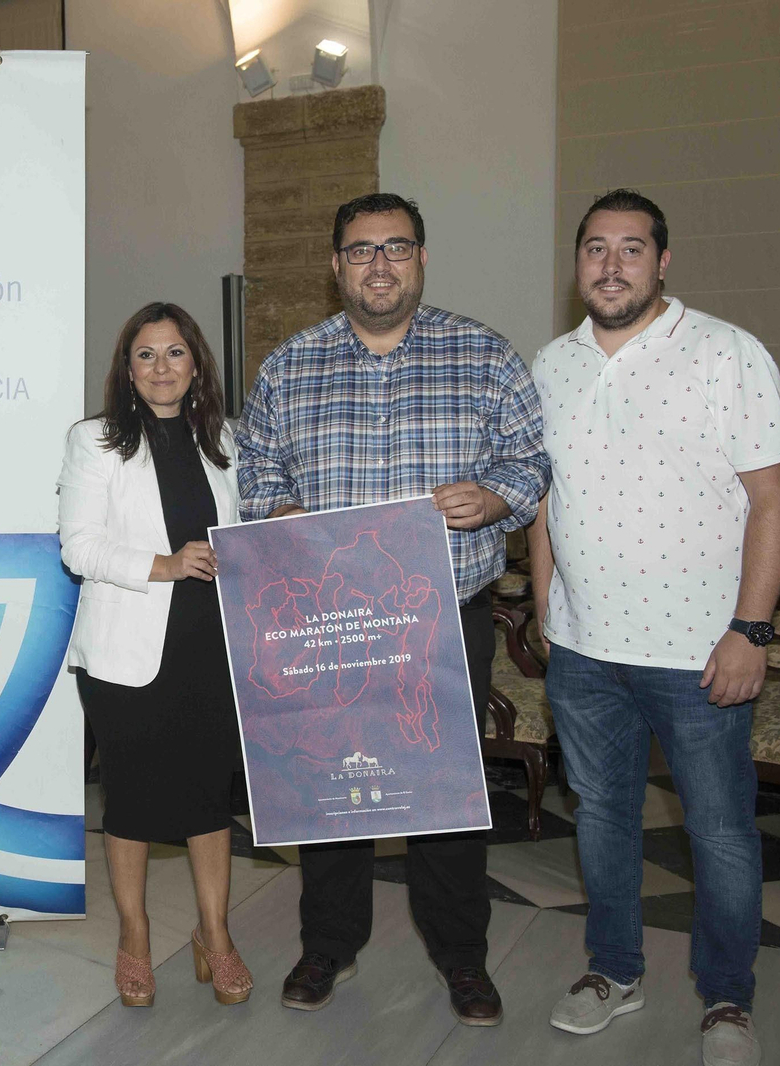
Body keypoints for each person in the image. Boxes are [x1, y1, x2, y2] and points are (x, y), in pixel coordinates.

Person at [236, 192, 550, 1026]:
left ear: (421, 258)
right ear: (336, 265)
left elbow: (529, 463)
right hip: (328, 625)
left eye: (397, 248)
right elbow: (257, 474)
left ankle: (463, 960)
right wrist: (276, 514)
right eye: (361, 250)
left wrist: (492, 498)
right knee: (329, 780)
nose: (380, 265)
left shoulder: (483, 355)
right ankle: (327, 944)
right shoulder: (289, 365)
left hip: (442, 617)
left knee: (445, 793)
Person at [529, 189, 780, 1066]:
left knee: (718, 833)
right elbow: (541, 504)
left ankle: (727, 999)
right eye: (595, 249)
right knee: (602, 818)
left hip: (699, 653)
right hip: (584, 652)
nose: (611, 265)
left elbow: (774, 500)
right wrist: (544, 607)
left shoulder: (727, 354)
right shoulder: (550, 365)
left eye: (632, 248)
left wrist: (749, 632)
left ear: (663, 262)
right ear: (578, 265)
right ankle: (614, 971)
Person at [58, 301, 251, 1008]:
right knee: (133, 802)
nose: (162, 367)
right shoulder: (96, 441)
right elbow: (77, 546)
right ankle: (134, 936)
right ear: (127, 367)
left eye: (175, 353)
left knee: (209, 798)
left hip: (213, 646)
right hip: (128, 652)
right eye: (146, 354)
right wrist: (165, 565)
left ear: (196, 364)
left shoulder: (228, 440)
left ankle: (215, 935)